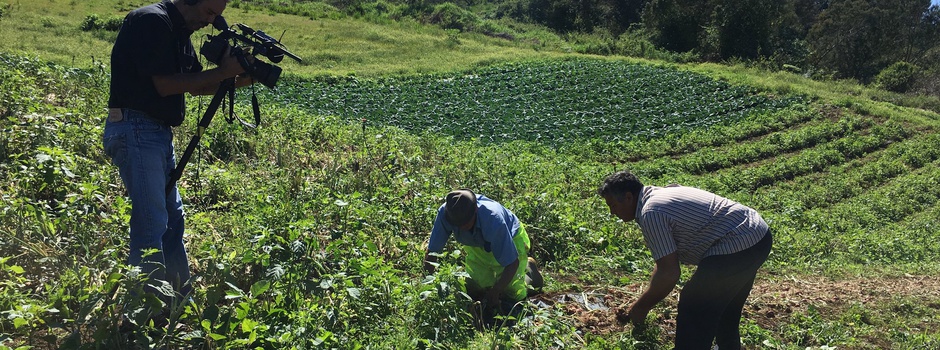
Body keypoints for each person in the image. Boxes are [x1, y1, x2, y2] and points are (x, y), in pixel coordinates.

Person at [103, 0, 251, 308]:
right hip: (135, 128)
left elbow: (197, 85)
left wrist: (244, 76)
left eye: (218, 15)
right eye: (210, 12)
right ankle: (142, 312)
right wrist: (222, 71)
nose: (212, 21)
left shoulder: (179, 32)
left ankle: (178, 303)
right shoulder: (152, 21)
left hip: (154, 133)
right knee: (152, 222)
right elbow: (166, 85)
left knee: (172, 220)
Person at [598, 170, 772, 350]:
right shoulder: (659, 194)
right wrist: (643, 303)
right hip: (758, 235)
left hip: (739, 241)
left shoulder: (651, 212)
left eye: (613, 206)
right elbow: (665, 264)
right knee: (725, 307)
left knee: (694, 304)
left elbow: (669, 273)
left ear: (627, 197)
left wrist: (641, 308)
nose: (612, 213)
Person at [424, 189, 543, 314]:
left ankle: (530, 273)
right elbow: (432, 252)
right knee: (478, 287)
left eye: (465, 222)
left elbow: (512, 263)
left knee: (511, 292)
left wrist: (496, 291)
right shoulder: (448, 213)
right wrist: (427, 286)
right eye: (457, 224)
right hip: (477, 244)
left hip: (511, 238)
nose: (461, 227)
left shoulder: (493, 219)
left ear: (475, 210)